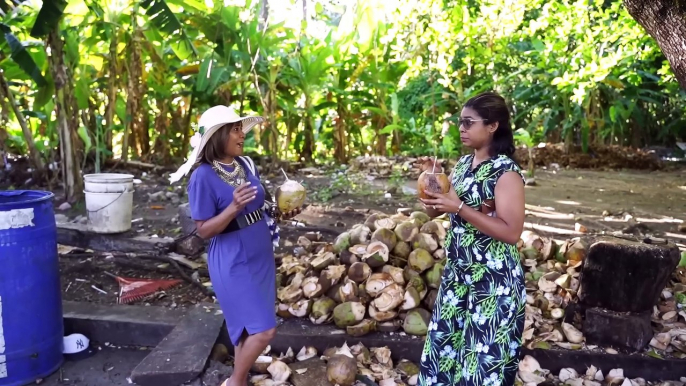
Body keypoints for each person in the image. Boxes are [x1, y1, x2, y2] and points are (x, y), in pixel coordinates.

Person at [169, 105, 301, 386]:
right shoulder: (202, 177)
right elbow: (203, 230)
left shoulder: (245, 165)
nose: (242, 135)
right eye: (236, 129)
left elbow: (260, 207)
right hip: (232, 258)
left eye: (242, 128)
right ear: (218, 136)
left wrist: (281, 212)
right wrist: (232, 207)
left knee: (245, 330)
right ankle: (236, 381)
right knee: (265, 331)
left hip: (259, 254)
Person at [415, 92, 526, 386]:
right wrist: (431, 179)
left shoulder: (506, 173)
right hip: (458, 278)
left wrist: (460, 208)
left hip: (493, 284)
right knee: (443, 361)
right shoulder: (463, 166)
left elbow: (511, 232)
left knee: (480, 371)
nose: (461, 129)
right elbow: (434, 210)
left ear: (492, 126)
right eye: (460, 122)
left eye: (469, 122)